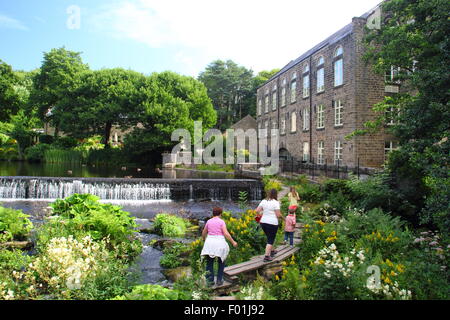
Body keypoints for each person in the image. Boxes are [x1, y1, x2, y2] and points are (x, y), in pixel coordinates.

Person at [201, 207, 238, 286]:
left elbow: (204, 232)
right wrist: (233, 242)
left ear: (213, 213)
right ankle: (219, 280)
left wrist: (204, 240)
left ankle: (209, 281)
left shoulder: (208, 221)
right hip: (219, 243)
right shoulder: (221, 222)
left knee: (209, 262)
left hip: (210, 242)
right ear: (220, 214)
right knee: (221, 261)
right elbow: (226, 233)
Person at [255, 188, 284, 262]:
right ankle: (267, 256)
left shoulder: (264, 201)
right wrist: (284, 218)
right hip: (272, 223)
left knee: (269, 237)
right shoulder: (276, 202)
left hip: (263, 222)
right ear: (275, 194)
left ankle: (272, 250)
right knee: (270, 239)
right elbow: (278, 215)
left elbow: (257, 211)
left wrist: (261, 215)